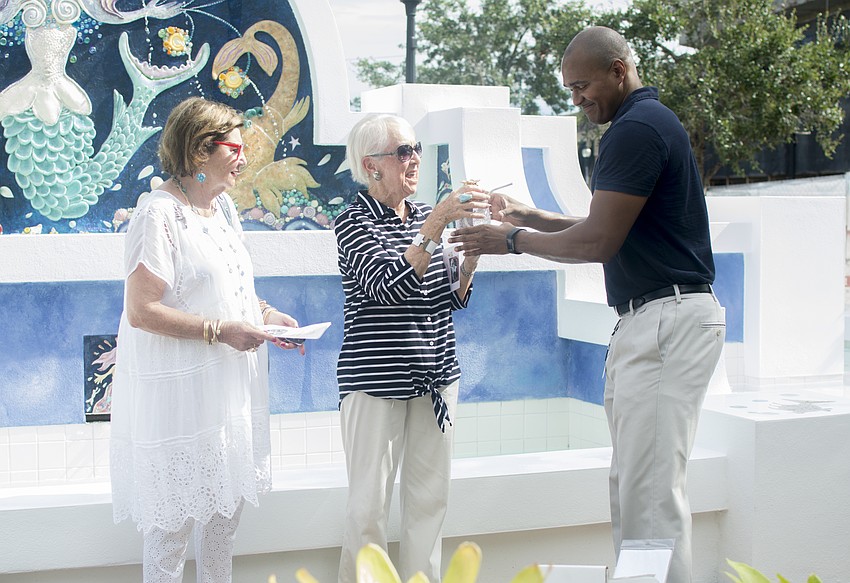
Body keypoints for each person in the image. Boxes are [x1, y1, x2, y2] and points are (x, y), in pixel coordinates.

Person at [450, 27, 726, 583]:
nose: (576, 99)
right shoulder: (646, 124)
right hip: (657, 320)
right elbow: (606, 226)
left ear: (619, 71)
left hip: (666, 322)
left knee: (650, 495)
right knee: (635, 488)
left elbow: (598, 242)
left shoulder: (636, 129)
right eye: (570, 89)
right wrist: (527, 216)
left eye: (582, 86)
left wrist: (510, 241)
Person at [110, 96, 303, 583]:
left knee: (223, 522)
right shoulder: (157, 215)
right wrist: (221, 331)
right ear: (200, 150)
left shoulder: (223, 210)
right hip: (181, 399)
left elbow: (231, 288)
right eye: (234, 147)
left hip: (228, 393)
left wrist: (267, 316)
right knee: (172, 531)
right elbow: (141, 311)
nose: (244, 157)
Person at [335, 114, 489, 583]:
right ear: (372, 165)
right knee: (368, 510)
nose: (415, 159)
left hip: (436, 379)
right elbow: (388, 286)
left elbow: (450, 297)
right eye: (403, 151)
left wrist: (471, 259)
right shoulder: (353, 222)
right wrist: (439, 220)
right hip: (375, 383)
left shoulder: (424, 215)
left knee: (429, 504)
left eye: (416, 149)